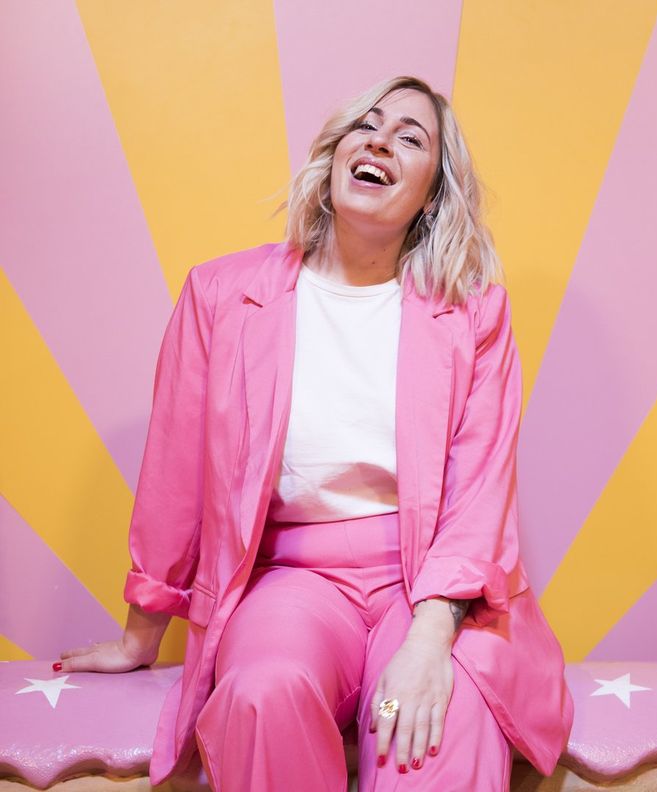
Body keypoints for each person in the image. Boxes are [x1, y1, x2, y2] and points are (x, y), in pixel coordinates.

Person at [56, 75, 574, 791]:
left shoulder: (473, 312)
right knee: (263, 694)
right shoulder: (220, 294)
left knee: (426, 720)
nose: (380, 141)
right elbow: (175, 476)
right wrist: (140, 634)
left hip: (422, 591)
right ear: (335, 155)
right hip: (291, 582)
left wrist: (430, 639)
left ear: (431, 195)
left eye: (410, 137)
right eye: (367, 125)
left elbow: (478, 488)